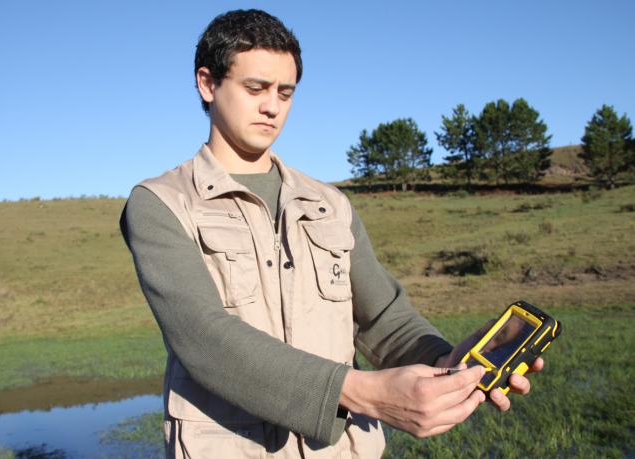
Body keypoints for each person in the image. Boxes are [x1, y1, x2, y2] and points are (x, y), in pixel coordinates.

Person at [120, 9, 542, 458]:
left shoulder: (329, 203)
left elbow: (385, 319)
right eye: (255, 88)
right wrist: (365, 393)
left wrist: (448, 363)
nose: (272, 106)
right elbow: (204, 339)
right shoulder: (160, 203)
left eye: (286, 92)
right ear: (207, 84)